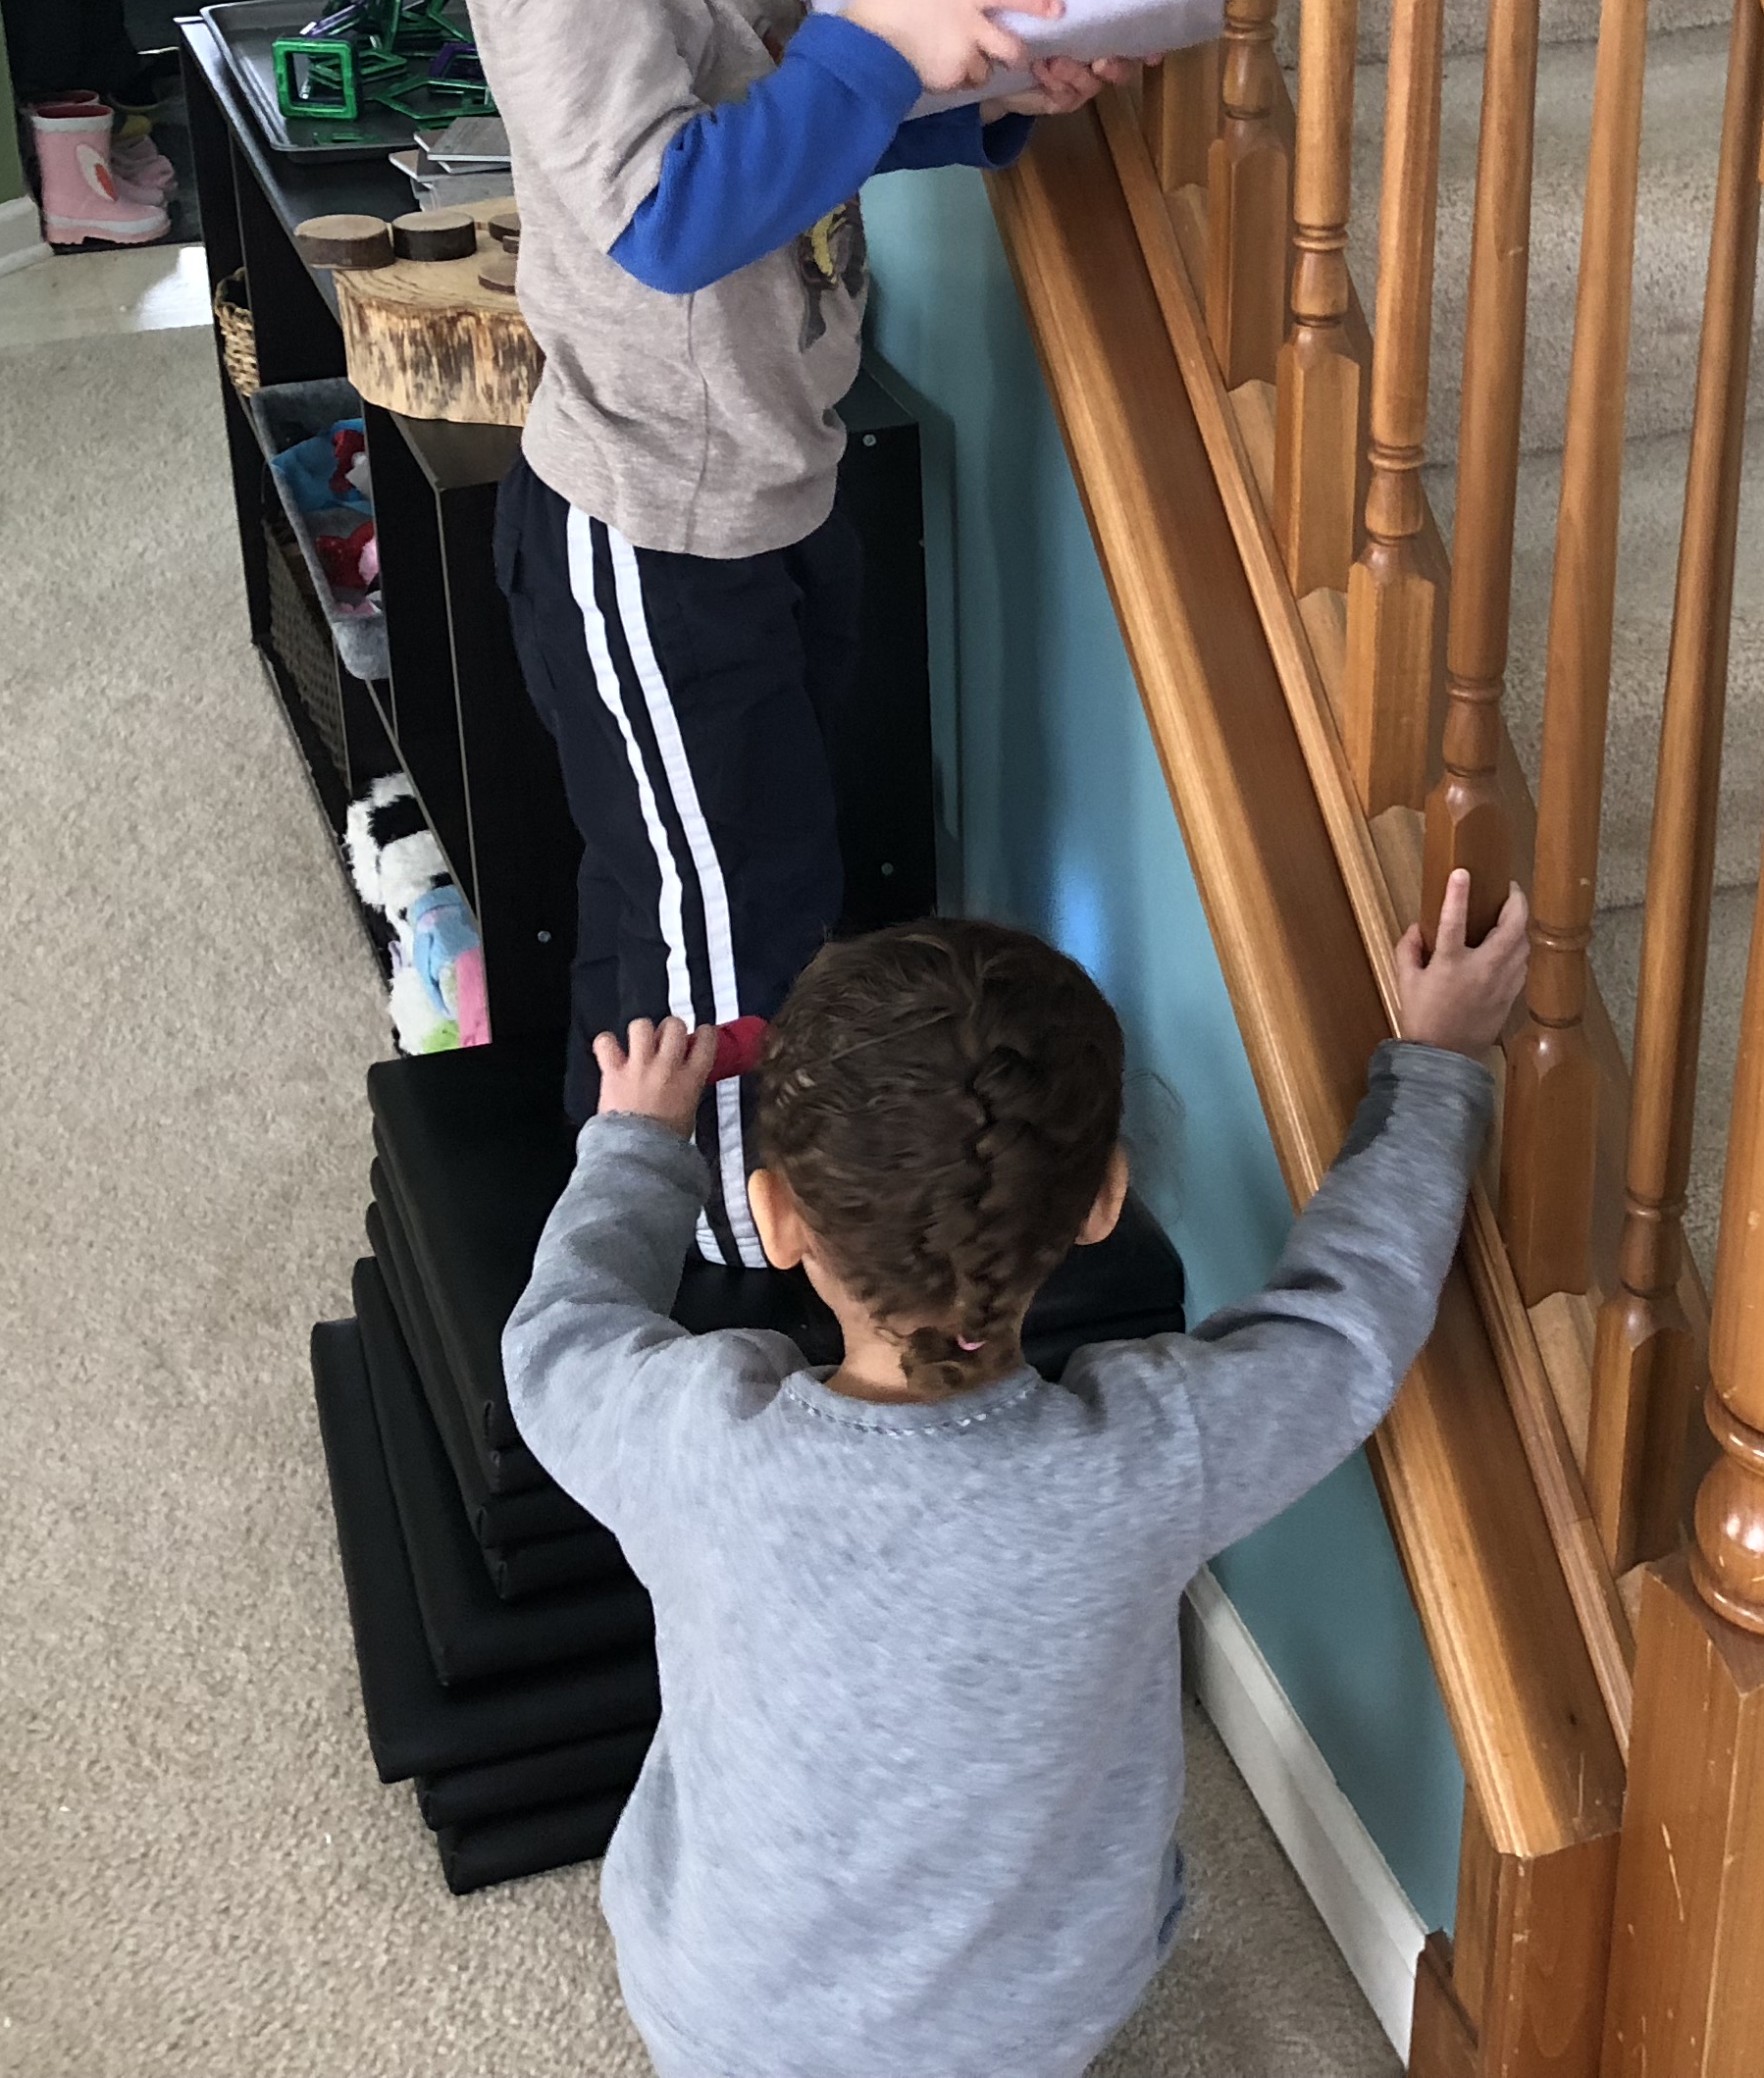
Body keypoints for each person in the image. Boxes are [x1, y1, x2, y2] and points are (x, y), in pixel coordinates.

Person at [393, 0, 1128, 1264]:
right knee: (728, 922)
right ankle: (726, 1261)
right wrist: (870, 47)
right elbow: (674, 214)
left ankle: (673, 1205)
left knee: (743, 880)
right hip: (647, 531)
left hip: (766, 487)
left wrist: (978, 98)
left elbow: (814, 128)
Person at [501, 873, 1531, 2078]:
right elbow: (1346, 1327)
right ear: (1104, 1201)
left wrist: (637, 1147)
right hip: (1024, 2029)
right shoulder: (1151, 1456)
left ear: (777, 1221)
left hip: (727, 2017)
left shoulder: (690, 1442)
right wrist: (1434, 1065)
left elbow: (557, 1339)